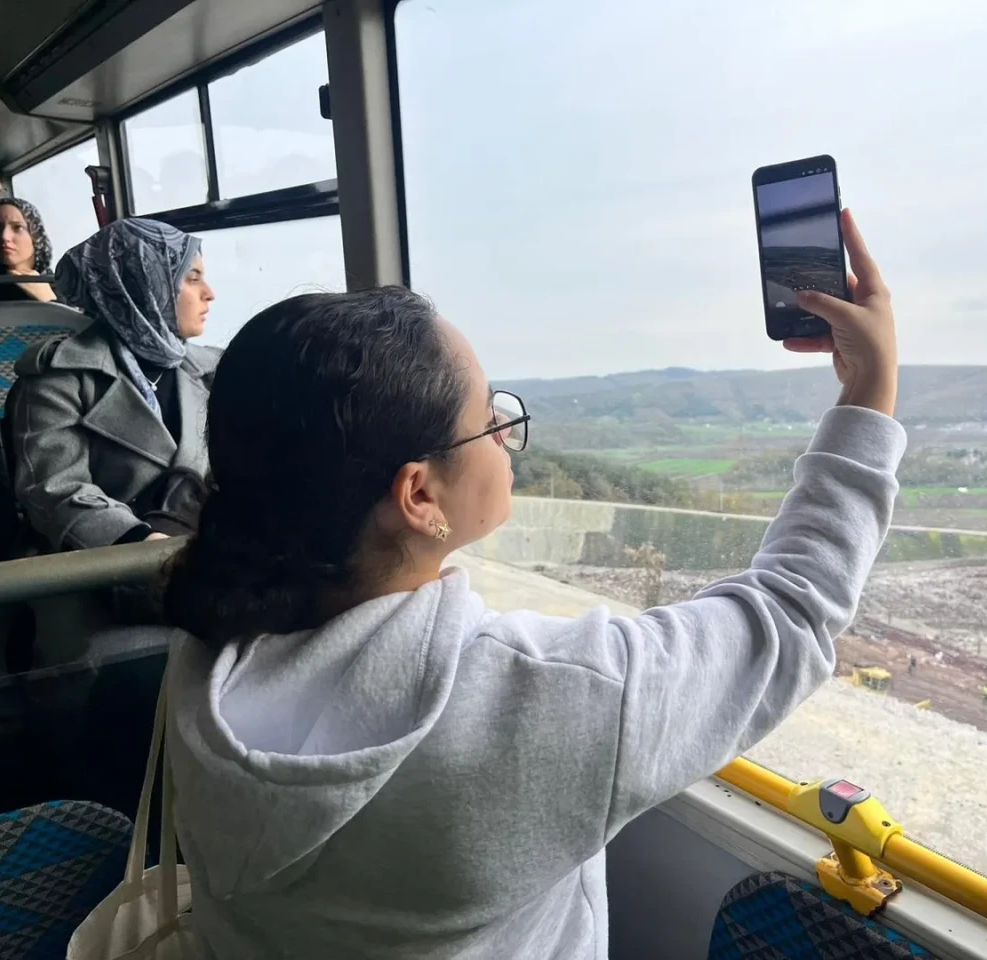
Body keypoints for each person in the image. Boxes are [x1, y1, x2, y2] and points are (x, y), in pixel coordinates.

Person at [159, 210, 902, 959]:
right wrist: (871, 390)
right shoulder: (551, 697)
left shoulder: (204, 662)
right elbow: (791, 615)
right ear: (418, 497)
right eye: (489, 418)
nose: (506, 435)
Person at [11, 218, 217, 551]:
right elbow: (54, 491)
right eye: (192, 279)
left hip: (203, 543)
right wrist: (141, 543)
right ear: (145, 286)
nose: (210, 293)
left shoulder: (212, 368)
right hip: (102, 559)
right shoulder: (58, 378)